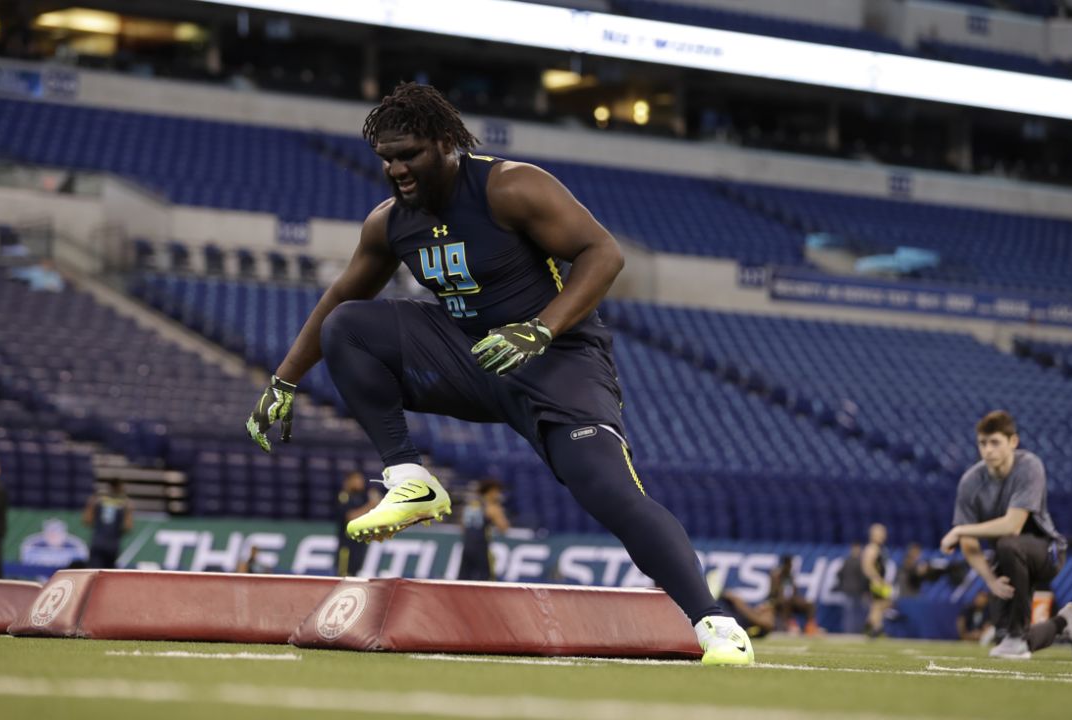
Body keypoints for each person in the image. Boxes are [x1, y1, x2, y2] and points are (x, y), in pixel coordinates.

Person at [245, 83, 752, 665]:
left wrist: (540, 328)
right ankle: (410, 478)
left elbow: (602, 254)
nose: (396, 169)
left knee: (609, 492)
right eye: (387, 158)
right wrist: (283, 381)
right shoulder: (389, 222)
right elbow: (339, 295)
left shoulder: (511, 186)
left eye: (408, 154)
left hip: (555, 360)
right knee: (348, 326)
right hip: (469, 358)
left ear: (445, 143)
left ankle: (714, 622)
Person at [939, 410, 1072, 660]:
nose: (988, 450)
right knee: (1003, 638)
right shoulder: (970, 482)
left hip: (1046, 553)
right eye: (982, 443)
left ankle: (1016, 635)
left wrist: (958, 529)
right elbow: (969, 544)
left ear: (1013, 442)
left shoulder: (1029, 466)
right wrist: (989, 579)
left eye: (995, 442)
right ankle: (1062, 623)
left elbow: (1013, 525)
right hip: (1007, 558)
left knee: (1009, 544)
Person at [458, 479, 511, 581]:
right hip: (481, 548)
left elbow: (462, 526)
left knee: (463, 579)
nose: (498, 495)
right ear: (491, 491)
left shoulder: (471, 505)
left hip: (467, 546)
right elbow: (504, 527)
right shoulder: (491, 507)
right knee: (486, 579)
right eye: (497, 491)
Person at [336, 471, 380, 577]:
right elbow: (351, 517)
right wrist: (370, 505)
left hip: (359, 543)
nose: (359, 482)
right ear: (349, 481)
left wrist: (375, 499)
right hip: (347, 545)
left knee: (355, 574)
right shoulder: (344, 497)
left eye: (360, 480)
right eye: (356, 480)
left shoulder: (362, 497)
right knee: (344, 575)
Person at [83, 479, 133, 569]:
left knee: (94, 573)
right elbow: (128, 527)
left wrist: (90, 505)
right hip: (112, 545)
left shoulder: (99, 501)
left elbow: (87, 521)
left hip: (97, 543)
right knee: (108, 576)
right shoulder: (124, 504)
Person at [768, 556, 819, 635]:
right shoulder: (776, 576)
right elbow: (773, 593)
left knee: (809, 604)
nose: (791, 566)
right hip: (778, 601)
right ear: (785, 564)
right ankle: (789, 625)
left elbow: (794, 592)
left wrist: (797, 599)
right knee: (786, 602)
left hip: (791, 600)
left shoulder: (790, 576)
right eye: (790, 564)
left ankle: (810, 626)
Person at [861, 523, 893, 638]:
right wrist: (876, 579)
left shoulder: (880, 548)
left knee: (881, 604)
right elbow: (867, 565)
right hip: (874, 581)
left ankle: (871, 626)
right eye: (881, 533)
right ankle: (875, 629)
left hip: (878, 580)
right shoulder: (872, 548)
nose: (883, 536)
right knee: (878, 604)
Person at [836, 542, 868, 634]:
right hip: (855, 591)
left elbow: (839, 574)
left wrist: (843, 584)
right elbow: (863, 578)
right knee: (852, 613)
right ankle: (853, 631)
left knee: (851, 613)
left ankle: (850, 631)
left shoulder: (847, 561)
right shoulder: (859, 562)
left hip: (852, 590)